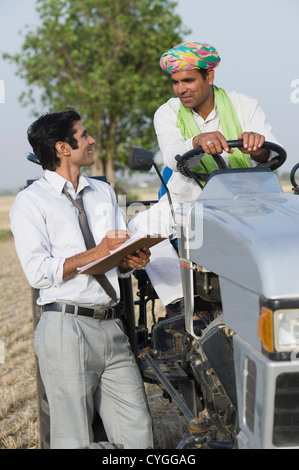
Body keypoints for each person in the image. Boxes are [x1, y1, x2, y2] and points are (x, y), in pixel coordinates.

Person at [10, 109, 153, 449]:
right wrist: (99, 251)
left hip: (111, 325)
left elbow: (115, 257)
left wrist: (132, 259)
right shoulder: (30, 202)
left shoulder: (103, 192)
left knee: (138, 432)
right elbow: (39, 272)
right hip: (65, 327)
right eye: (84, 134)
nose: (91, 140)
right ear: (63, 147)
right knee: (73, 437)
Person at [128, 41, 279, 316]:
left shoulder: (245, 105)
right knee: (141, 223)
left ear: (209, 76)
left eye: (188, 80)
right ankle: (181, 302)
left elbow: (272, 152)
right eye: (175, 82)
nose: (180, 89)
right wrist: (197, 140)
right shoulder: (168, 112)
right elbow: (173, 154)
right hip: (189, 206)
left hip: (245, 203)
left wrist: (259, 148)